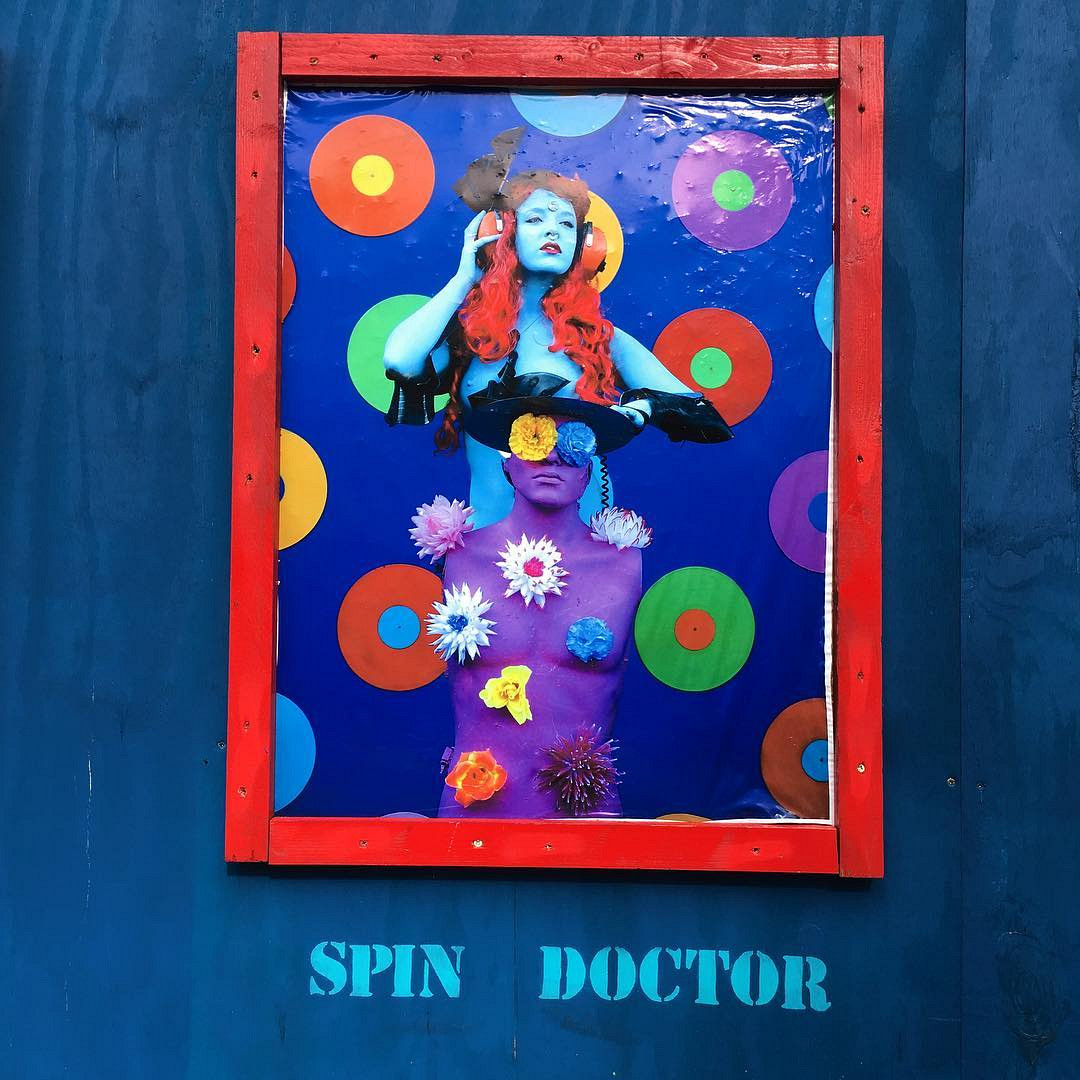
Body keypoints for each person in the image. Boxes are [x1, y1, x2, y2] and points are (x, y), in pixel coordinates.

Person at [383, 152, 732, 527]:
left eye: (566, 224)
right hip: (488, 540)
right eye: (535, 219)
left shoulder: (598, 338)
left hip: (581, 539)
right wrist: (463, 279)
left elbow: (706, 420)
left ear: (584, 245)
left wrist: (641, 408)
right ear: (503, 234)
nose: (553, 232)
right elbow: (399, 361)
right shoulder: (471, 335)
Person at [429, 404, 646, 818]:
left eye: (572, 445)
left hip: (585, 812)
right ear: (507, 463)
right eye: (534, 440)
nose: (551, 458)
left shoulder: (624, 563)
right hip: (473, 805)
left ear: (588, 471)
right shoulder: (459, 555)